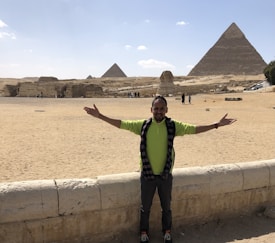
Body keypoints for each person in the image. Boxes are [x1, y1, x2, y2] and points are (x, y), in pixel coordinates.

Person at [83, 95, 236, 243]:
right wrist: (101, 116)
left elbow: (194, 129)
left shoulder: (173, 126)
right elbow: (121, 124)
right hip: (147, 175)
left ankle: (167, 232)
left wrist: (216, 124)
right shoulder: (142, 125)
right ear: (151, 110)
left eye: (162, 108)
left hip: (165, 175)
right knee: (145, 208)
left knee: (167, 208)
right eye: (156, 108)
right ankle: (144, 233)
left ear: (166, 110)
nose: (159, 111)